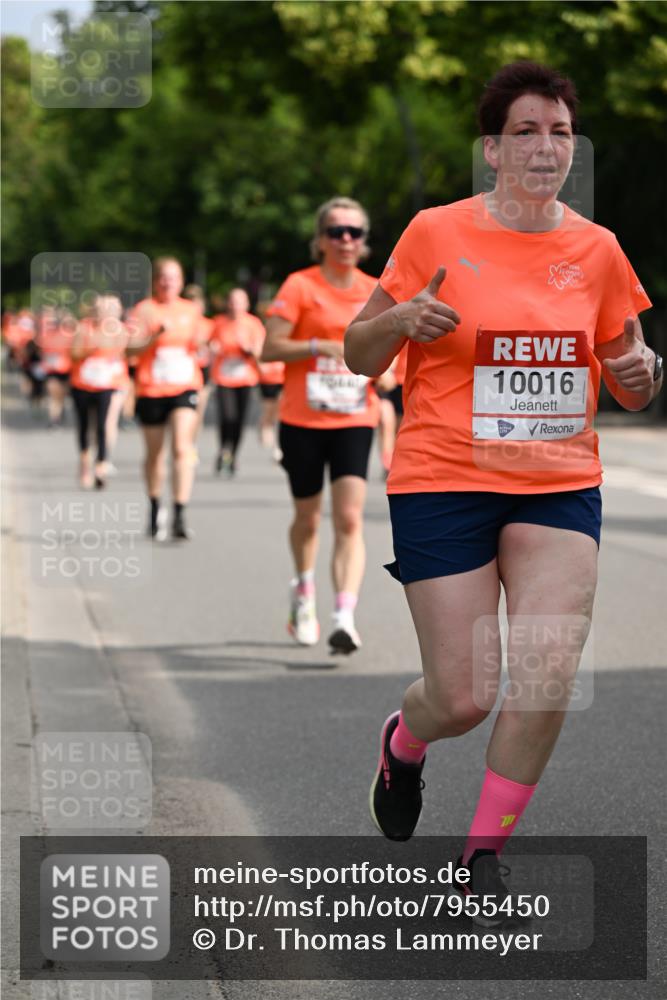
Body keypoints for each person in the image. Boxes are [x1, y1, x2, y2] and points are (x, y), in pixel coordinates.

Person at [344, 62, 661, 918]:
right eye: (525, 131)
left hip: (557, 483)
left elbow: (630, 380)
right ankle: (404, 743)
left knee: (546, 670)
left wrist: (642, 370)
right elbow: (357, 353)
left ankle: (481, 853)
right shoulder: (433, 233)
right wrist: (399, 321)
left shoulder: (596, 250)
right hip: (444, 477)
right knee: (464, 694)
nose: (544, 147)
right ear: (492, 149)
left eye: (559, 132)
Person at [262, 197, 379, 653]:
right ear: (321, 240)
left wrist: (385, 369)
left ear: (364, 241)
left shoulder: (375, 290)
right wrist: (320, 346)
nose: (346, 239)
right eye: (336, 232)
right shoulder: (299, 286)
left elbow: (392, 355)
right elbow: (269, 349)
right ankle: (304, 592)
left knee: (349, 517)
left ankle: (344, 617)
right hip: (302, 419)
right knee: (308, 519)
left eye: (354, 232)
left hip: (354, 416)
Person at [127, 257, 202, 541]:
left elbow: (196, 345)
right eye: (163, 277)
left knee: (183, 449)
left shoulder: (191, 310)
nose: (167, 282)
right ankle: (155, 507)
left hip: (185, 386)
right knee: (155, 454)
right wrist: (152, 338)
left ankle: (180, 513)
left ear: (181, 282)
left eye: (173, 277)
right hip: (151, 388)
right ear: (155, 281)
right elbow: (128, 350)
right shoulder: (143, 310)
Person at [70, 294, 128, 489]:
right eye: (101, 309)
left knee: (103, 425)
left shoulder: (119, 330)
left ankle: (101, 464)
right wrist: (91, 348)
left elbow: (125, 354)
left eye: (109, 309)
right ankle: (84, 464)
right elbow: (74, 353)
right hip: (82, 384)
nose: (104, 313)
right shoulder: (83, 327)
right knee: (85, 425)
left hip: (107, 384)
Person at [210, 288, 264, 477]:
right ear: (228, 303)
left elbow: (260, 352)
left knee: (239, 421)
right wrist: (213, 348)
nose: (235, 306)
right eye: (232, 301)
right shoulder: (219, 322)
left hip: (246, 378)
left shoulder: (253, 323)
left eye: (239, 302)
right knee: (227, 417)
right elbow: (210, 344)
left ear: (246, 304)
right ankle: (223, 449)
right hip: (224, 377)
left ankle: (233, 455)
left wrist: (248, 350)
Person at [183, 283, 215, 460]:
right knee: (183, 412)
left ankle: (191, 445)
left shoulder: (209, 325)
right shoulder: (180, 323)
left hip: (203, 370)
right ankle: (182, 443)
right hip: (184, 371)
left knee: (198, 412)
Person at [38, 307, 72, 427]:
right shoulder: (48, 335)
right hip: (52, 370)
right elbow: (43, 351)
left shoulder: (70, 334)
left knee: (61, 395)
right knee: (53, 395)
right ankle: (54, 419)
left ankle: (60, 410)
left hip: (67, 370)